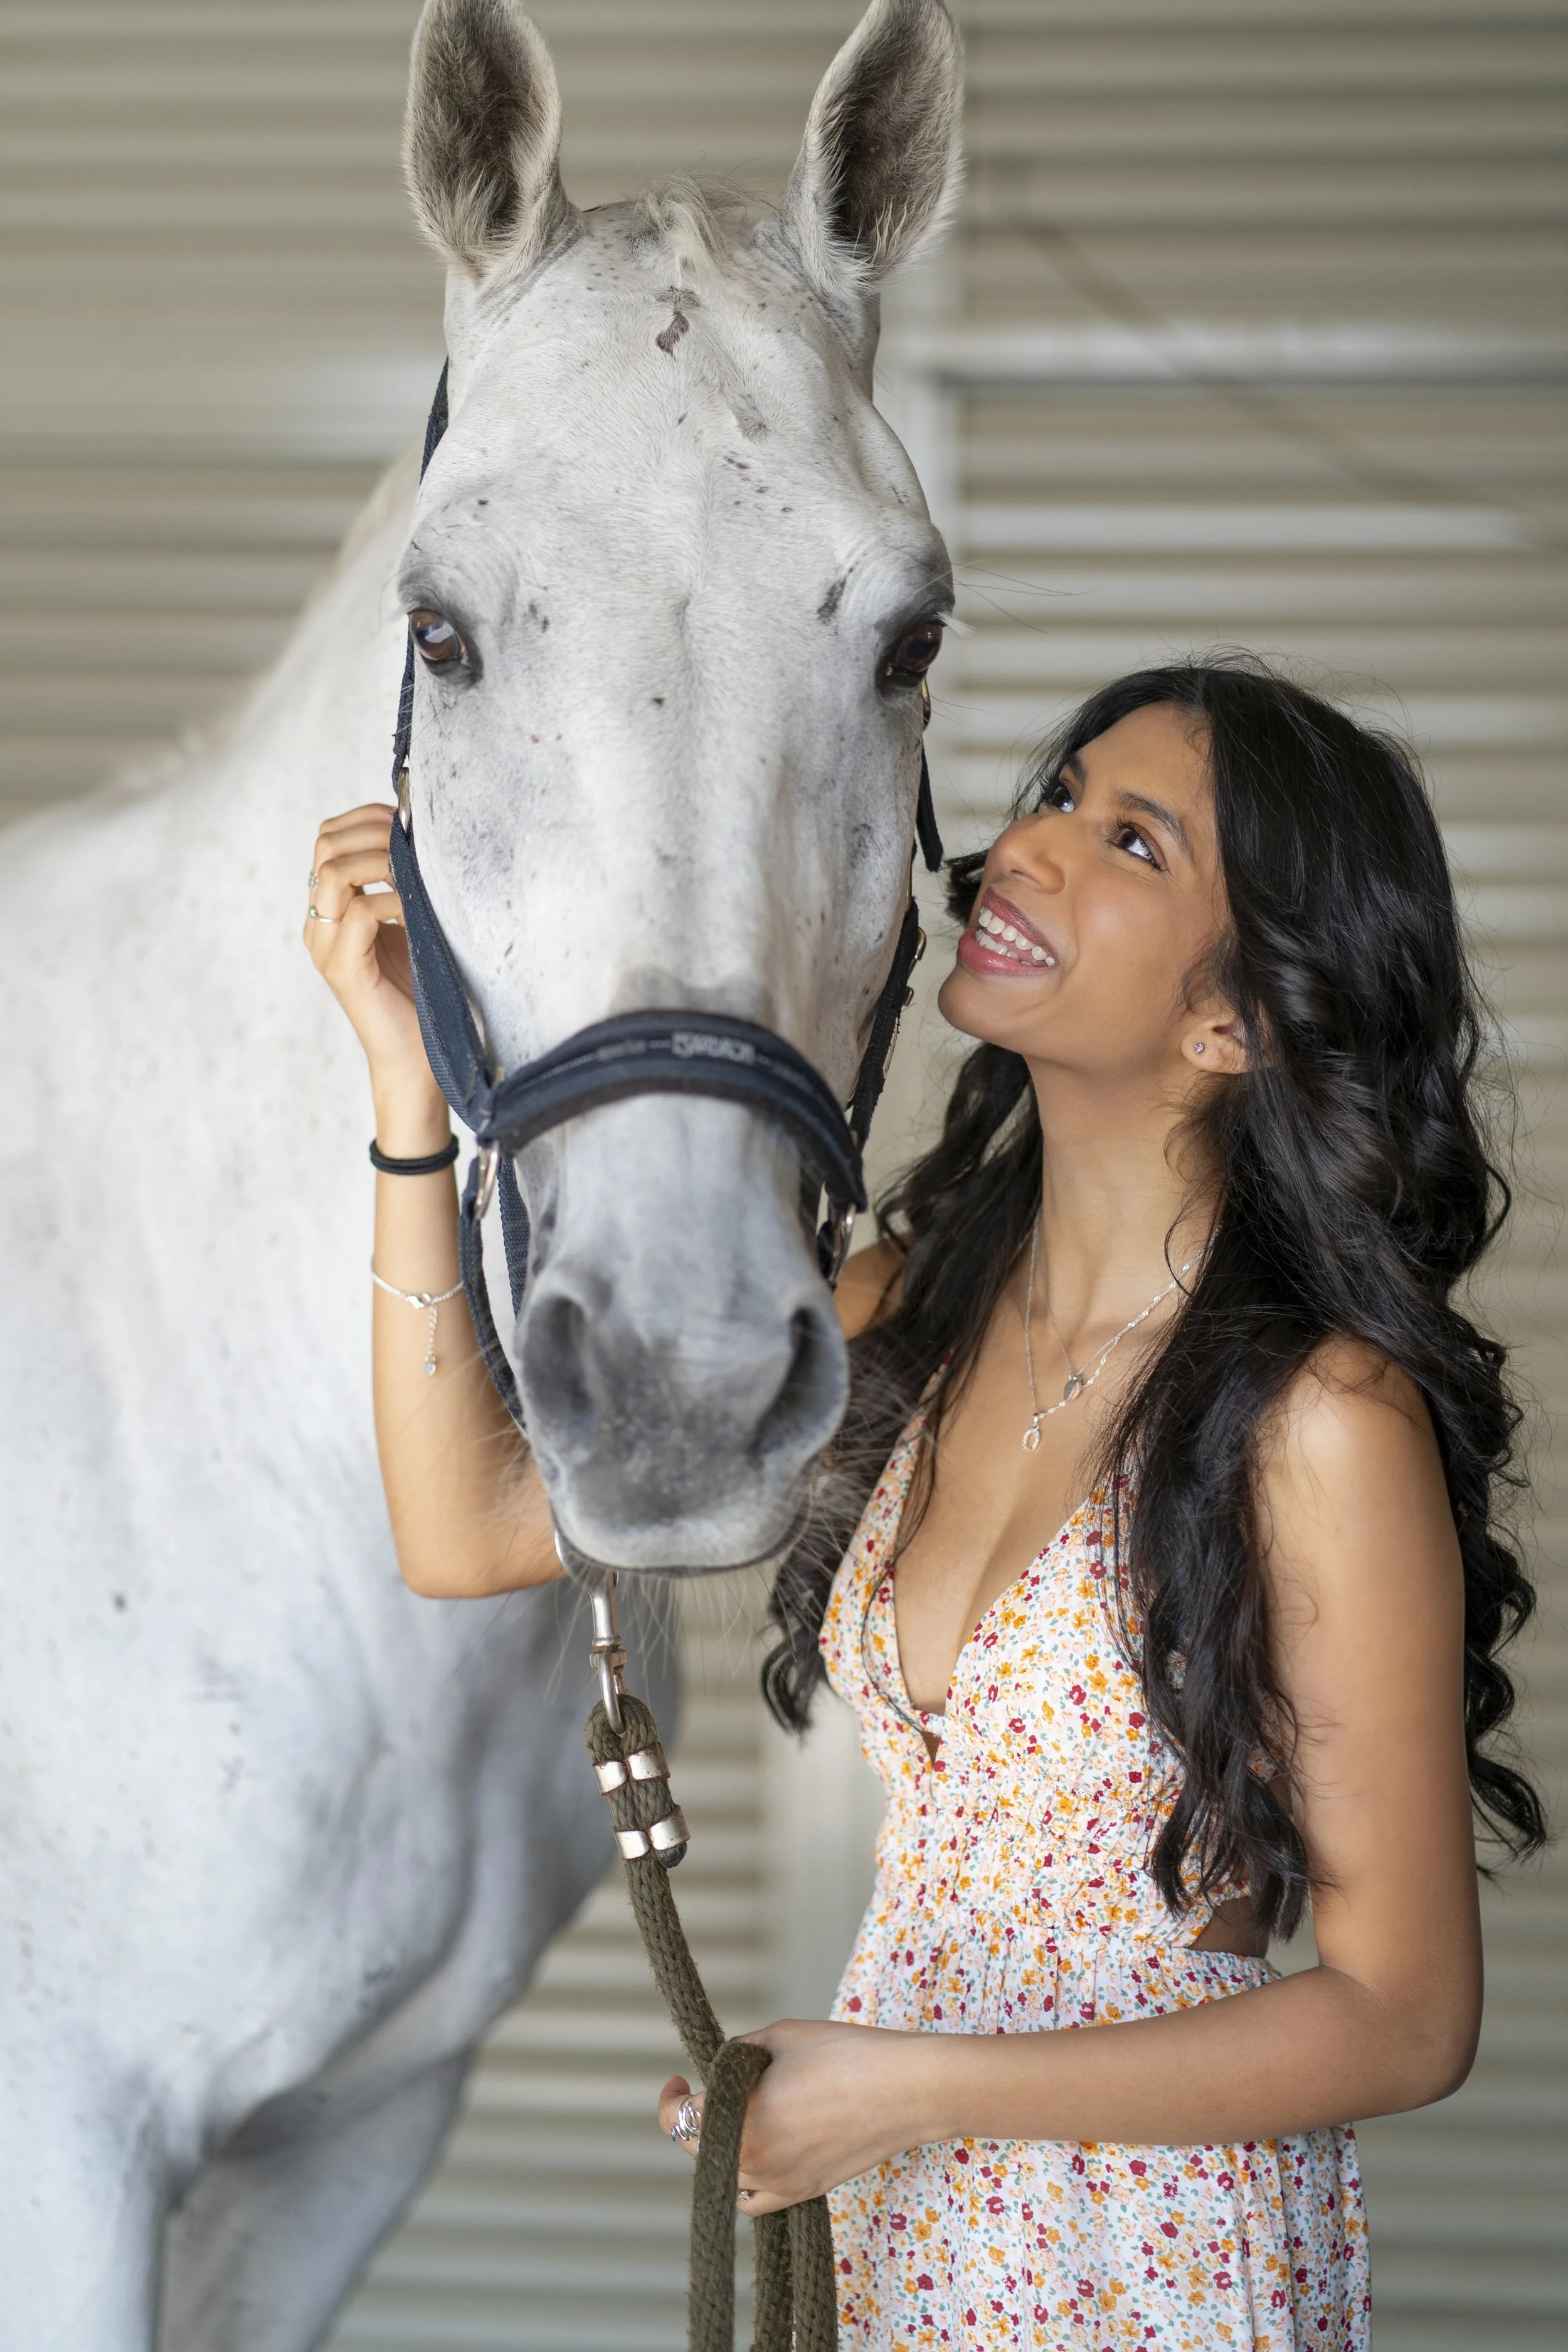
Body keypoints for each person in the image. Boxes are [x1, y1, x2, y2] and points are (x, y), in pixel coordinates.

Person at [305, 658, 1544, 2352]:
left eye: (1128, 839)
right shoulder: (916, 1306)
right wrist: (404, 1099)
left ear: (1232, 1018)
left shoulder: (1316, 1415)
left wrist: (903, 2087)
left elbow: (1403, 2017)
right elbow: (462, 1530)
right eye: (1051, 794)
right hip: (913, 2232)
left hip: (1148, 2262)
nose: (1025, 848)